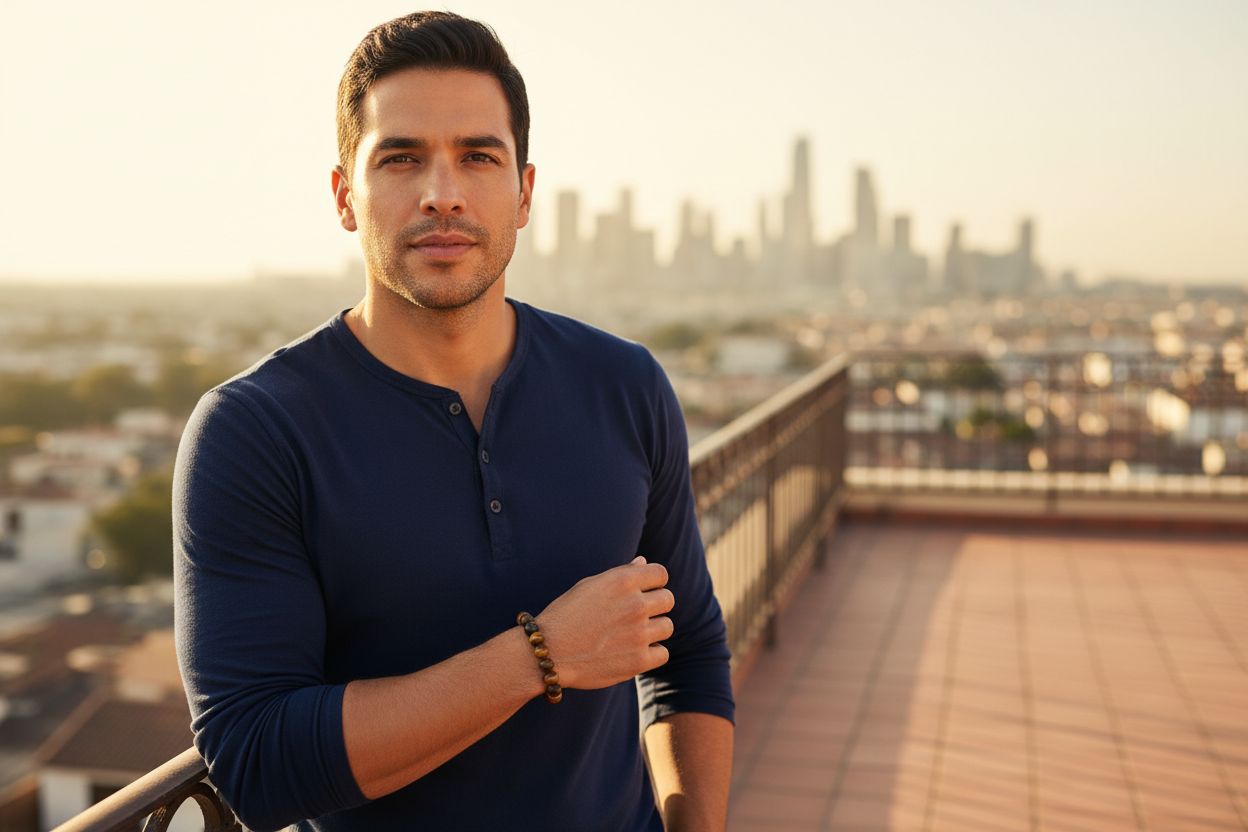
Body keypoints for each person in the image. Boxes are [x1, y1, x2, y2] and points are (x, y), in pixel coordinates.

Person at [174, 11, 734, 832]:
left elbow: (687, 653)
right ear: (344, 196)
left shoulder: (624, 383)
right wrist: (540, 655)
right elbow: (257, 760)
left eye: (478, 156)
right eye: (401, 159)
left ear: (524, 194)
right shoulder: (254, 431)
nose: (443, 192)